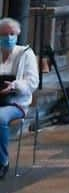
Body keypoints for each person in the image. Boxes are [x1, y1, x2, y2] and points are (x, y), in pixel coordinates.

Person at [0, 17, 38, 179]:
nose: (8, 37)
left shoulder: (25, 54)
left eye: (12, 34)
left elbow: (32, 82)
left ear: (17, 34)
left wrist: (14, 85)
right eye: (4, 35)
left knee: (0, 118)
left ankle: (2, 161)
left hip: (15, 103)